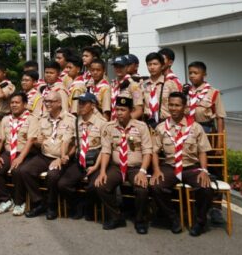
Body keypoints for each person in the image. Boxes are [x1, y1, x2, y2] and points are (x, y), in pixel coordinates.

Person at [151, 92, 214, 236]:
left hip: (191, 167)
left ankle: (200, 222)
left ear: (185, 108)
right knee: (156, 186)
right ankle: (173, 219)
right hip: (170, 167)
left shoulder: (196, 127)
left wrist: (204, 170)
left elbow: (202, 151)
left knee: (206, 188)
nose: (173, 108)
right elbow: (154, 151)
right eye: (171, 105)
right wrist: (156, 170)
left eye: (177, 105)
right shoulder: (161, 128)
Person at [94, 96, 153, 234]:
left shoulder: (141, 126)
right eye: (117, 109)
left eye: (123, 110)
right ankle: (116, 217)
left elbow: (147, 151)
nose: (119, 112)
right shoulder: (109, 127)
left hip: (135, 168)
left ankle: (140, 221)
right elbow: (106, 151)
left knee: (142, 188)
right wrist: (102, 172)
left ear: (131, 111)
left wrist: (143, 171)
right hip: (116, 167)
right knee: (101, 185)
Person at [16, 91, 75, 220]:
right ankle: (39, 202)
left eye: (51, 101)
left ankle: (51, 206)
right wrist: (37, 142)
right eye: (46, 101)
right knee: (25, 171)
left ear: (59, 103)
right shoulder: (42, 119)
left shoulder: (70, 119)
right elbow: (37, 141)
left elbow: (73, 144)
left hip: (61, 157)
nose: (47, 104)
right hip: (44, 155)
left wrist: (61, 158)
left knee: (53, 176)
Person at [186, 60, 227, 227]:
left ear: (204, 75)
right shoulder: (186, 92)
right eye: (190, 73)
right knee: (193, 167)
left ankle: (216, 207)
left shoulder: (213, 92)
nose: (192, 76)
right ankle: (197, 204)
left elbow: (220, 117)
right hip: (188, 134)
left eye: (196, 73)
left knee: (214, 170)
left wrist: (218, 142)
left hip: (207, 132)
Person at [0, 92, 40, 216]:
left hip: (26, 152)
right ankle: (5, 200)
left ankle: (19, 202)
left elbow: (31, 140)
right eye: (12, 103)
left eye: (17, 102)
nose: (14, 105)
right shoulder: (6, 119)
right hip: (8, 152)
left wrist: (20, 158)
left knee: (18, 170)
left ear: (25, 104)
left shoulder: (32, 119)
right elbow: (0, 139)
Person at [57, 92, 107, 220]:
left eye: (84, 103)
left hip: (96, 161)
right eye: (79, 103)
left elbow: (105, 148)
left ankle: (89, 207)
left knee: (93, 186)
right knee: (63, 184)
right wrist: (63, 155)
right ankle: (77, 204)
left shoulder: (102, 123)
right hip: (80, 161)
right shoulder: (76, 122)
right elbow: (66, 140)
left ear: (93, 105)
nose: (80, 106)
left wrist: (96, 166)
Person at [143, 52, 181, 130]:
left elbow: (178, 104)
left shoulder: (170, 84)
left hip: (166, 123)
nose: (152, 67)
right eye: (149, 64)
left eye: (155, 64)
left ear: (162, 66)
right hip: (148, 124)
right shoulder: (143, 85)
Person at [111, 56, 144, 120]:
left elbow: (138, 111)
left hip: (126, 124)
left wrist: (124, 123)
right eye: (116, 66)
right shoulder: (113, 85)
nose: (118, 69)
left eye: (121, 66)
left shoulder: (133, 85)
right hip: (114, 124)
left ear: (127, 67)